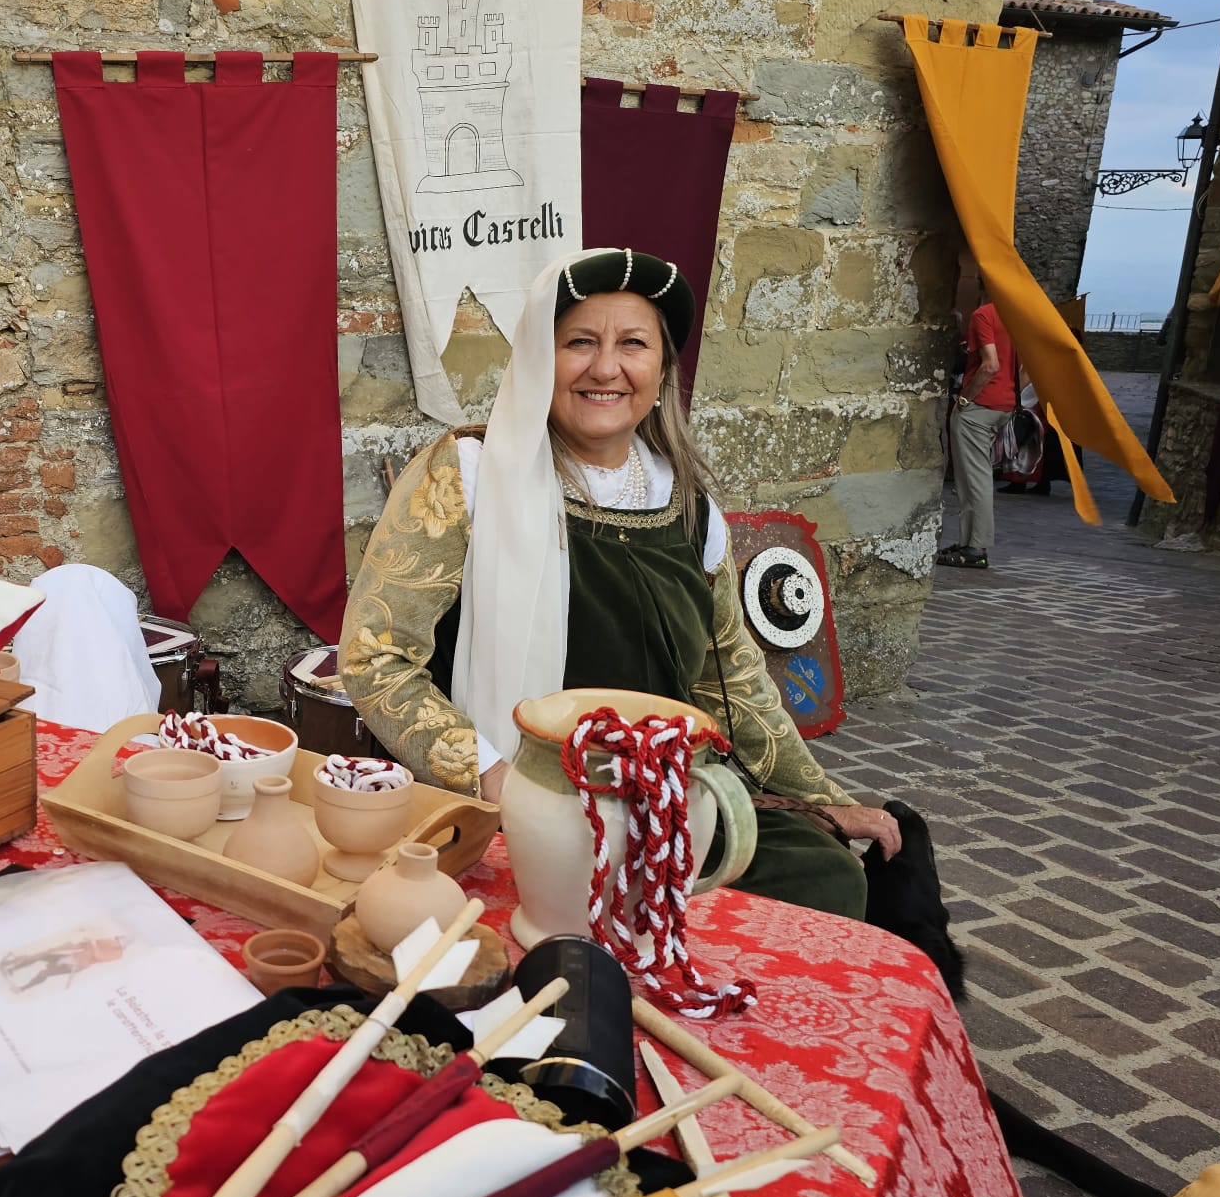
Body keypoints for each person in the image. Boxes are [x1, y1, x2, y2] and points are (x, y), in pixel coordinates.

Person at [339, 247, 899, 920]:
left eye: (632, 343)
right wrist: (497, 783)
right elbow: (377, 657)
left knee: (824, 880)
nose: (606, 368)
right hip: (515, 797)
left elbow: (732, 677)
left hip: (656, 801)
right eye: (579, 342)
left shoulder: (690, 512)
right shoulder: (466, 477)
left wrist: (824, 799)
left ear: (660, 370)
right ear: (541, 362)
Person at [941, 295, 1019, 569]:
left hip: (980, 404)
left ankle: (974, 548)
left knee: (974, 479)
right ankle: (967, 542)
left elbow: (990, 364)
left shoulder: (985, 314)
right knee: (975, 476)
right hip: (1004, 403)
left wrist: (965, 399)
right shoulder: (1019, 315)